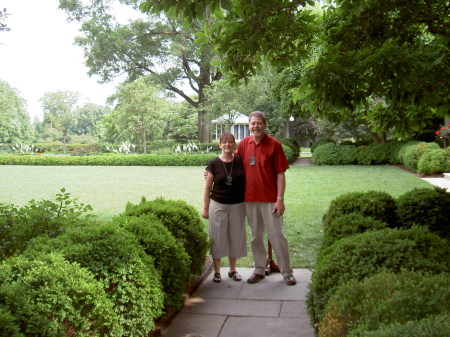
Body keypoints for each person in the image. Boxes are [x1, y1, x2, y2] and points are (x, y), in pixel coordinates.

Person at [235, 111, 297, 285]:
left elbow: (280, 174)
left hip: (270, 200)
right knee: (256, 237)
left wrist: (280, 199)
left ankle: (287, 272)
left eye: (259, 123)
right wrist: (211, 170)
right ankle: (259, 269)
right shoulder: (243, 145)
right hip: (249, 199)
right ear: (249, 126)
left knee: (277, 236)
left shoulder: (274, 145)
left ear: (265, 125)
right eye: (253, 123)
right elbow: (233, 166)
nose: (256, 126)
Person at [202, 132, 247, 283]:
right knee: (217, 237)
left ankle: (233, 270)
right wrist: (205, 208)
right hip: (218, 204)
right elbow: (207, 188)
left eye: (230, 142)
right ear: (220, 145)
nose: (227, 144)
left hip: (238, 205)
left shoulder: (240, 161)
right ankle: (217, 271)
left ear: (235, 144)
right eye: (224, 142)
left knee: (235, 236)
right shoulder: (213, 163)